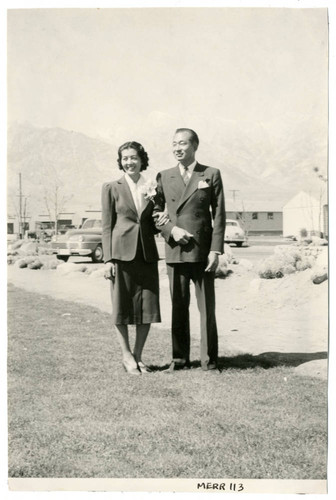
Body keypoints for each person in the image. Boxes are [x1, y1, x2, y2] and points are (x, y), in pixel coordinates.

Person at [153, 128, 226, 371]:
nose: (177, 148)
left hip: (203, 252)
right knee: (178, 308)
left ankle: (210, 361)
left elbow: (219, 215)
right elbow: (155, 213)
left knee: (207, 309)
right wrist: (171, 230)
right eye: (174, 143)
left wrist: (215, 251)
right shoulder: (163, 176)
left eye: (182, 143)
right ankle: (180, 360)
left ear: (194, 145)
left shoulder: (211, 173)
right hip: (176, 250)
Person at [101, 141, 164, 375]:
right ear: (121, 161)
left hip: (146, 254)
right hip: (120, 255)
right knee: (121, 307)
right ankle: (126, 355)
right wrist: (108, 260)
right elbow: (107, 226)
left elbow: (155, 220)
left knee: (147, 307)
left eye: (133, 157)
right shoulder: (111, 187)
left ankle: (138, 356)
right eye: (125, 158)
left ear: (141, 159)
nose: (129, 162)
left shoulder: (152, 186)